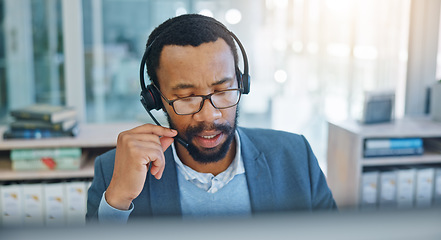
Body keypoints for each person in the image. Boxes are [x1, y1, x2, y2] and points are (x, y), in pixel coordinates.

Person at [86, 13, 337, 223]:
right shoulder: (113, 172)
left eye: (223, 91)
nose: (210, 115)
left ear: (241, 84)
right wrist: (117, 203)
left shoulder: (295, 156)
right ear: (156, 98)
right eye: (186, 97)